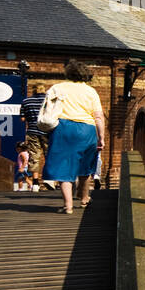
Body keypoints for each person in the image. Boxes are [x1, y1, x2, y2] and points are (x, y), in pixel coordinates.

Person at [41, 60, 106, 215]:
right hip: (87, 129)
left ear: (68, 73)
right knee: (85, 167)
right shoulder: (91, 91)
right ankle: (84, 199)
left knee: (64, 167)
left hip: (63, 128)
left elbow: (46, 108)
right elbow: (98, 116)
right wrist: (101, 137)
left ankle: (68, 205)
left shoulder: (57, 88)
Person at [20, 83, 49, 191]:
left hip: (32, 131)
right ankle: (49, 179)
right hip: (47, 130)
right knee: (49, 154)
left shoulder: (26, 101)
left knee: (34, 156)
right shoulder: (48, 100)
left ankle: (35, 183)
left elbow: (22, 119)